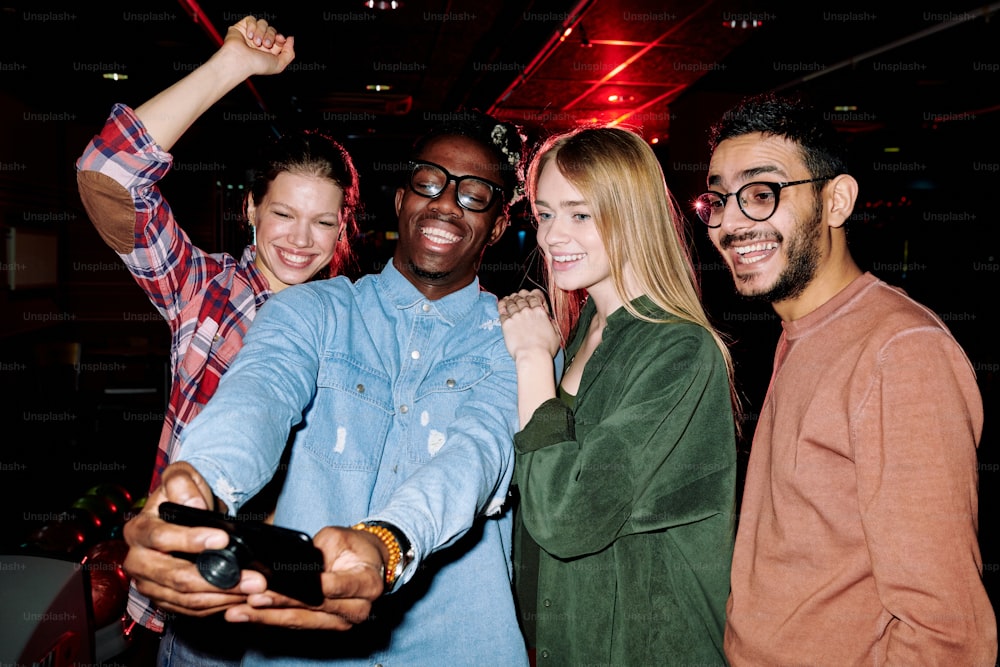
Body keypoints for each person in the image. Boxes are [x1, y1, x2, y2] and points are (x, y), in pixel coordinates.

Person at [120, 108, 531, 666]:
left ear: (499, 226)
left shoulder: (518, 339)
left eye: (474, 193)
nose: (444, 203)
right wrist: (199, 483)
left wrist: (387, 543)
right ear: (401, 200)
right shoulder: (312, 308)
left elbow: (477, 452)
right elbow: (259, 394)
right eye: (428, 182)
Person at [74, 15, 360, 661]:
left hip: (311, 590)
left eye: (322, 221)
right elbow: (110, 171)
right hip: (205, 588)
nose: (299, 238)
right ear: (251, 209)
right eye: (282, 213)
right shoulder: (204, 287)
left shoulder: (355, 315)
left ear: (343, 226)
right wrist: (229, 66)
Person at [695, 92, 998, 665]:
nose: (730, 222)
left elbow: (947, 635)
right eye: (718, 199)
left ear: (836, 201)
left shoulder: (899, 354)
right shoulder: (803, 329)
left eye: (761, 194)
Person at [498, 126, 739, 665]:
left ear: (633, 214)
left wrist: (534, 361)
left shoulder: (679, 348)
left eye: (580, 214)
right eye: (544, 214)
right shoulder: (589, 327)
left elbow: (564, 517)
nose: (552, 236)